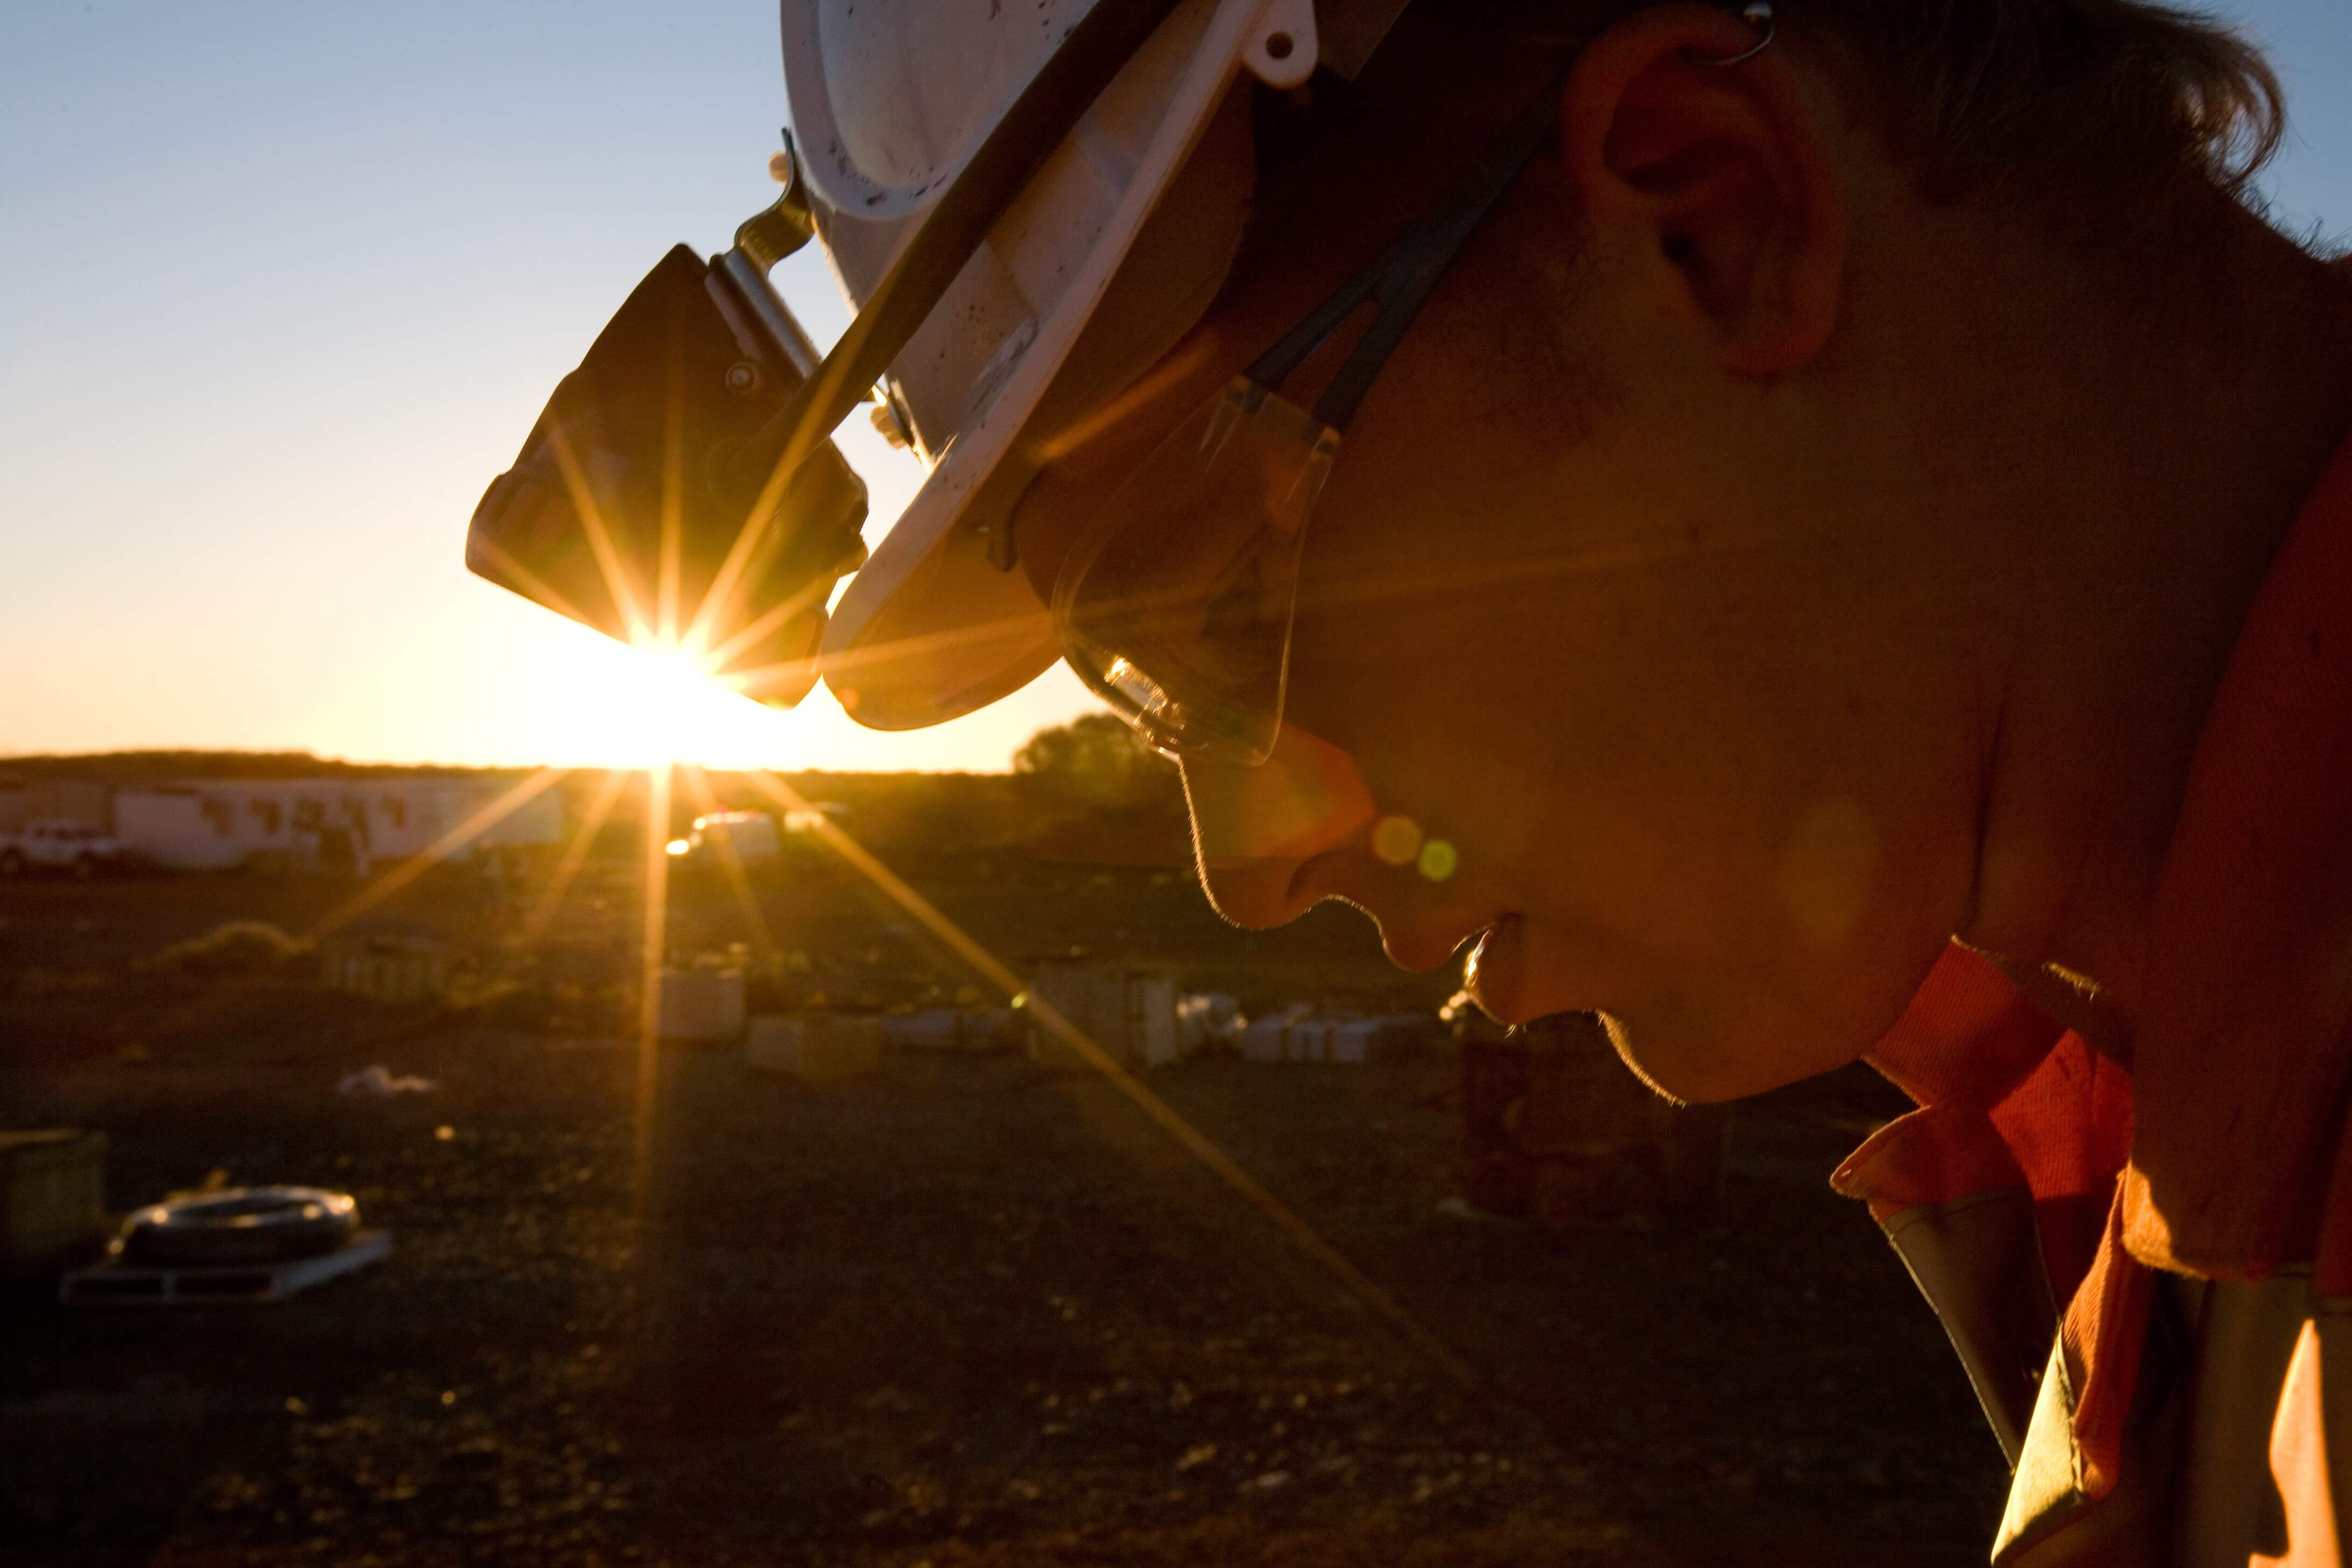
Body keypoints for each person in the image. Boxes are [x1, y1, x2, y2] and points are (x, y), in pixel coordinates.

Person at [765, 1, 2352, 1558]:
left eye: (1231, 612)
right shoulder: (2163, 1162)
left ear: (1714, 219)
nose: (1245, 875)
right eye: (1154, 704)